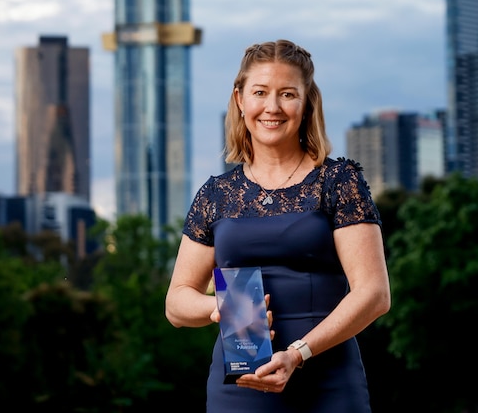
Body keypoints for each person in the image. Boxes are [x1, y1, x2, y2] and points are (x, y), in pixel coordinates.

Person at [166, 39, 391, 412]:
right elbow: (176, 302)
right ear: (240, 99)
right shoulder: (215, 194)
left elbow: (374, 294)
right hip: (240, 385)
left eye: (287, 94)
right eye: (259, 93)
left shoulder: (339, 182)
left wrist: (298, 354)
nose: (272, 107)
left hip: (329, 380)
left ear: (307, 103)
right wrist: (218, 309)